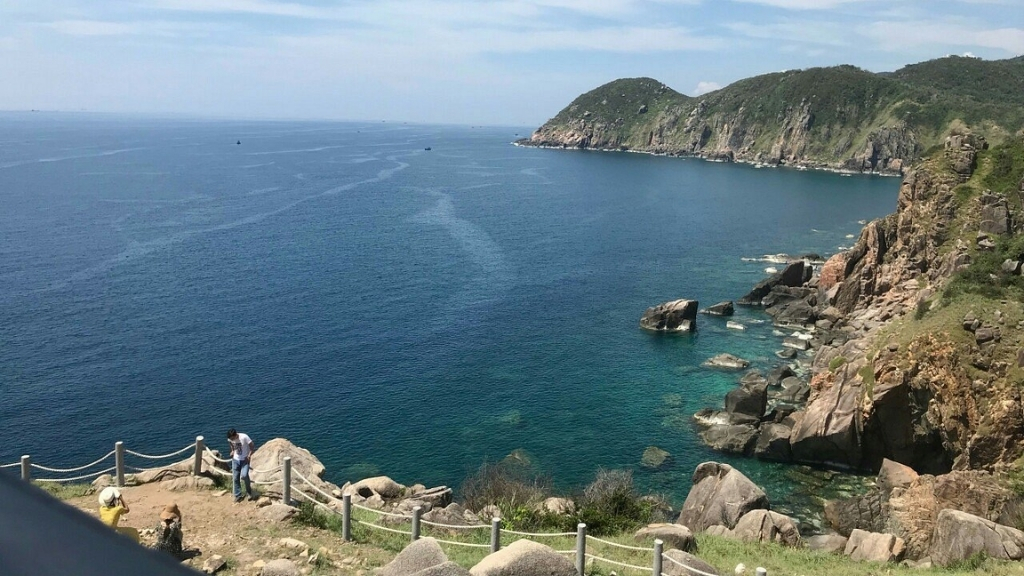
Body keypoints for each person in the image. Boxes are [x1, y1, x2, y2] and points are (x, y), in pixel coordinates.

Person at [227, 428, 257, 502]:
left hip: (244, 460)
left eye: (233, 438)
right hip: (235, 460)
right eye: (231, 438)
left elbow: (252, 445)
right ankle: (238, 495)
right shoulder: (230, 439)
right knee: (235, 478)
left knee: (244, 475)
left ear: (235, 435)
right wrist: (232, 450)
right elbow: (230, 443)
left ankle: (249, 492)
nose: (232, 440)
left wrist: (249, 455)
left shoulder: (244, 437)